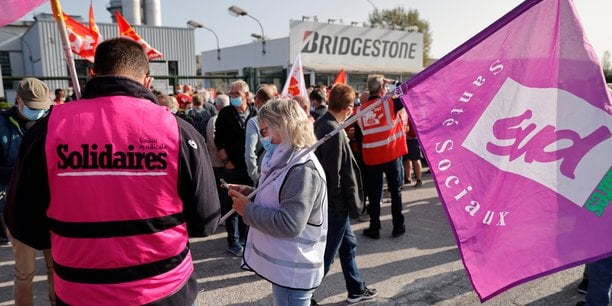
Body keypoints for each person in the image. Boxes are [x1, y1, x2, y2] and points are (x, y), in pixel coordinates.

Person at [3, 38, 221, 305]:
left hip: (79, 290)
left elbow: (22, 223)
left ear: (92, 75)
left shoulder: (46, 131)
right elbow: (205, 222)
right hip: (163, 289)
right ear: (147, 82)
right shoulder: (179, 131)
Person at [229, 98, 327, 306]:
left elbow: (290, 223)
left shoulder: (301, 168)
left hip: (294, 270)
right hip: (287, 266)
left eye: (265, 131)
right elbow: (280, 196)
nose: (263, 139)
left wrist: (247, 210)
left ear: (281, 128)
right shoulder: (287, 158)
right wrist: (252, 194)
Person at [313, 84, 378, 304]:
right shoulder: (332, 130)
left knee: (348, 244)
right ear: (348, 107)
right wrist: (339, 203)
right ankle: (305, 295)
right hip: (334, 203)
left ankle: (356, 289)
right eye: (352, 106)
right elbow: (334, 174)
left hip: (332, 202)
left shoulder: (323, 123)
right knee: (328, 254)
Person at [1, 77, 54, 305]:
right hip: (18, 209)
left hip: (51, 209)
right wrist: (24, 168)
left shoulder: (53, 121)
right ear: (19, 101)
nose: (39, 113)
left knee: (55, 268)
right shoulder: (1, 125)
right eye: (33, 108)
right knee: (25, 271)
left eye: (43, 109)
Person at [355, 75, 408, 239]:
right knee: (395, 192)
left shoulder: (360, 111)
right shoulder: (390, 103)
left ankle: (374, 228)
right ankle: (398, 226)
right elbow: (408, 90)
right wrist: (392, 82)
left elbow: (358, 137)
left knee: (375, 195)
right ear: (381, 88)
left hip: (372, 158)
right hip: (392, 155)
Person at [214, 80, 257, 256]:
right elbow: (219, 140)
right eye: (231, 94)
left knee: (249, 201)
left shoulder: (255, 112)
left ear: (246, 95)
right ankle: (233, 241)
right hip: (232, 166)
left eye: (236, 95)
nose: (233, 98)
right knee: (231, 203)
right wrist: (226, 162)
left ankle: (247, 238)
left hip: (249, 167)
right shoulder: (225, 113)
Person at [245, 85, 275, 184]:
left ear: (257, 101)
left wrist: (255, 177)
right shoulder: (280, 118)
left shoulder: (254, 122)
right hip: (279, 170)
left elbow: (249, 154)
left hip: (263, 173)